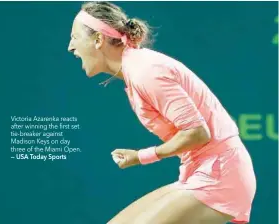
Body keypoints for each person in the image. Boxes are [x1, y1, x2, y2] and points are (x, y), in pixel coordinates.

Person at [68, 2, 256, 224]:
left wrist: (141, 156)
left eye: (75, 37)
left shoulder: (145, 71)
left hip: (219, 176)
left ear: (98, 40)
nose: (71, 46)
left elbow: (197, 132)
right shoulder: (137, 67)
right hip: (202, 171)